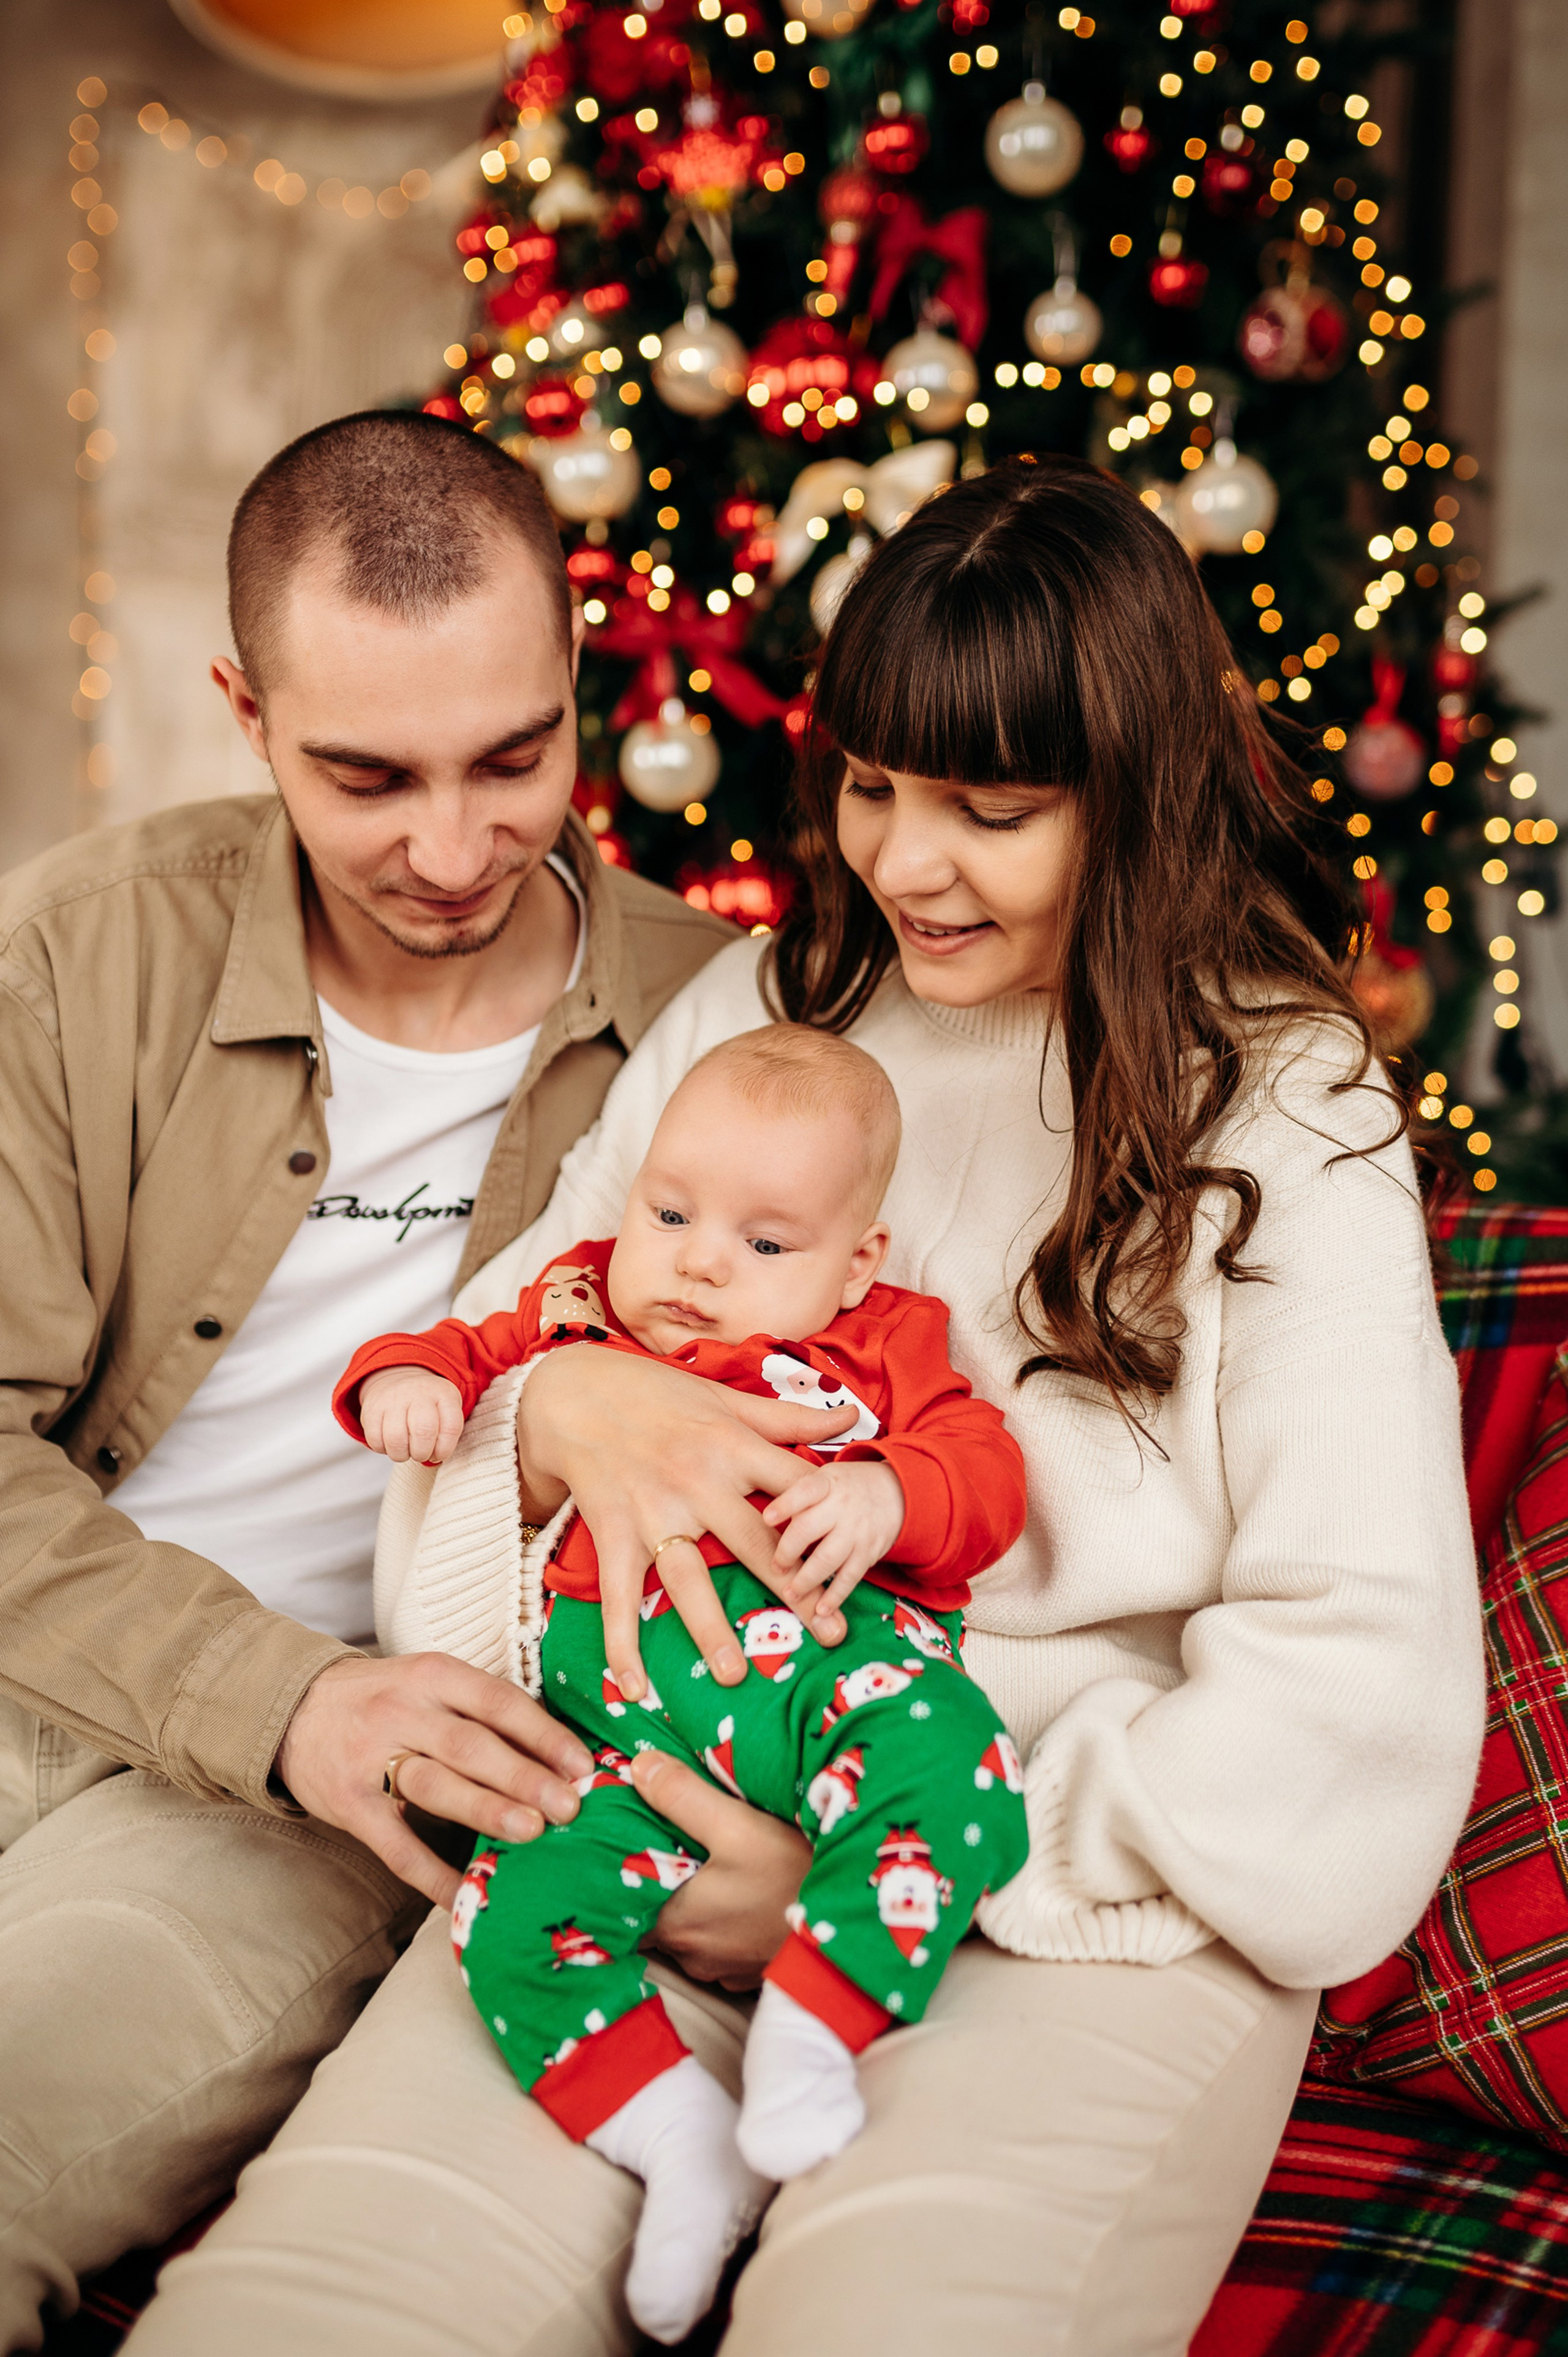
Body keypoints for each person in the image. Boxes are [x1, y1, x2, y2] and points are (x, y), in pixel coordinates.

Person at [123, 454, 1485, 2357]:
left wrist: (888, 1864)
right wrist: (565, 1408)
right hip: (649, 1811)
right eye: (869, 788)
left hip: (1069, 1897)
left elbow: (1365, 1689)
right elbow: (485, 1396)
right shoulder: (782, 1002)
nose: (901, 864)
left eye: (989, 810)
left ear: (1134, 791)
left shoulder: (1286, 1104)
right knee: (302, 2311)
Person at [0, 409, 755, 2353]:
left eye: (516, 759)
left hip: (318, 1798)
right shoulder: (85, 952)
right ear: (248, 714)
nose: (452, 849)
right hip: (58, 1654)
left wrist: (322, 1710)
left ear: (583, 675)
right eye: (367, 776)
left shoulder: (718, 1033)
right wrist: (274, 1686)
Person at [336, 1024, 1030, 2343]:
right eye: (670, 1211)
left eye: (766, 1245)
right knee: (507, 1912)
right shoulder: (582, 1304)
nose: (701, 1261)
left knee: (956, 1764)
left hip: (826, 1687)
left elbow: (983, 1475)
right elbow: (457, 1353)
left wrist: (889, 1493)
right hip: (608, 1735)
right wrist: (410, 1384)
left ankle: (816, 2029)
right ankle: (674, 2139)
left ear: (855, 1260)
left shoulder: (883, 1347)